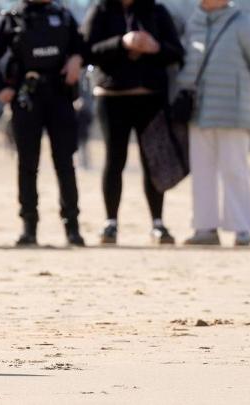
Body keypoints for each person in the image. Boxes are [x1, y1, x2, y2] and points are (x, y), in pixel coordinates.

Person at [0, 0, 86, 247]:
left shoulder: (64, 16)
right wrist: (0, 88)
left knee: (65, 163)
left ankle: (72, 227)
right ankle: (29, 227)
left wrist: (77, 59)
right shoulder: (12, 18)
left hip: (60, 96)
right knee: (27, 163)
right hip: (27, 98)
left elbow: (84, 45)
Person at [81, 0, 184, 245]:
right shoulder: (100, 11)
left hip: (151, 97)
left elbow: (177, 53)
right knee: (114, 159)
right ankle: (110, 223)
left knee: (153, 159)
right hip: (111, 97)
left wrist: (155, 47)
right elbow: (86, 51)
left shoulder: (157, 12)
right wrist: (121, 43)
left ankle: (158, 224)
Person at [179, 0, 250, 247]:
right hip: (198, 112)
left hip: (234, 112)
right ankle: (204, 228)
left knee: (235, 170)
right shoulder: (193, 23)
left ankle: (241, 228)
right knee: (202, 173)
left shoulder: (243, 21)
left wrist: (249, 102)